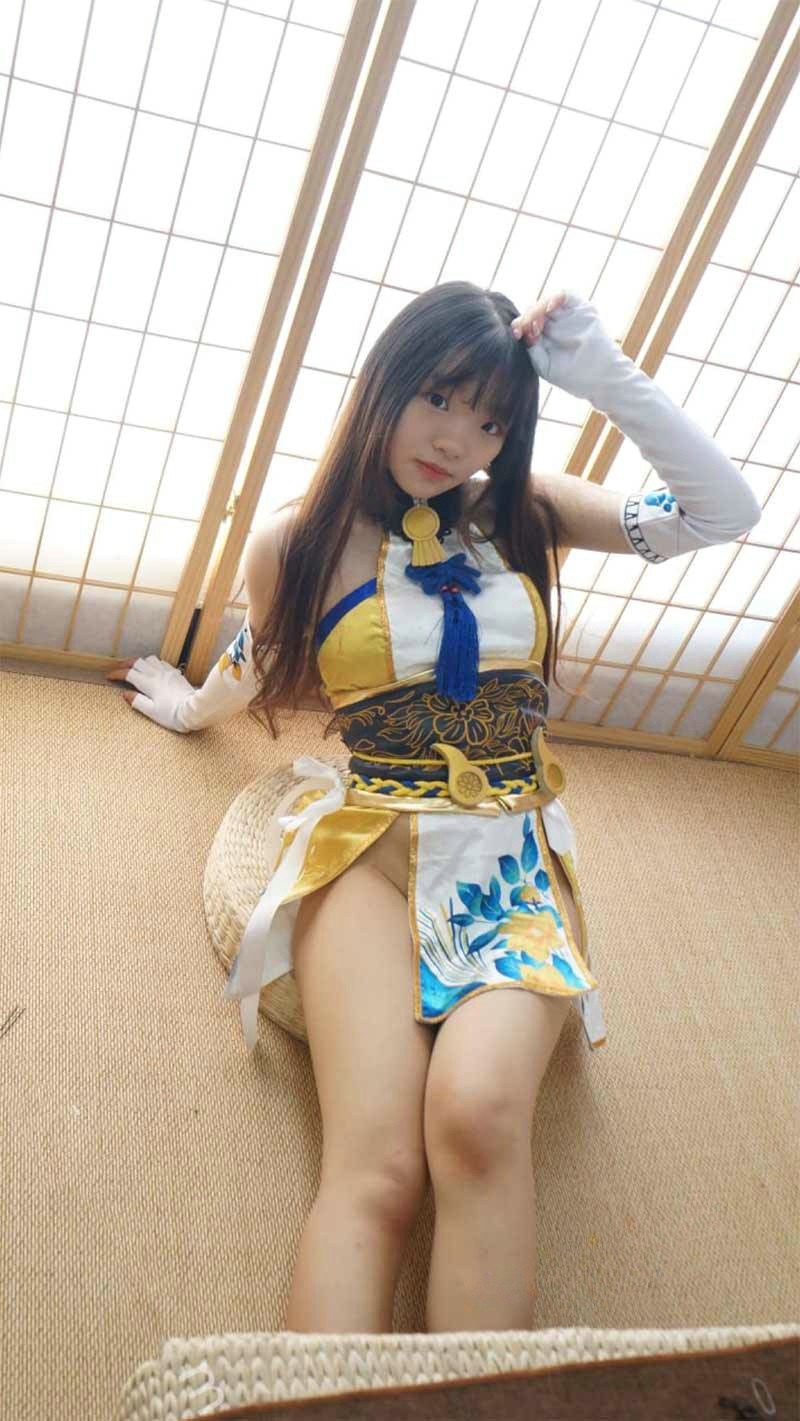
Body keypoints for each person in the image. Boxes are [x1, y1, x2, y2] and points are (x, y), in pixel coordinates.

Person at [107, 284, 760, 1335]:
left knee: (478, 1119)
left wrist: (603, 377)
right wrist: (187, 708)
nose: (458, 440)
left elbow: (723, 512)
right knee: (376, 1166)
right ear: (387, 380)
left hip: (509, 858)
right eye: (439, 398)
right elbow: (257, 653)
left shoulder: (523, 510)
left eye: (491, 420)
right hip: (370, 845)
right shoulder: (296, 541)